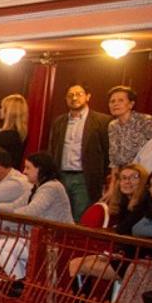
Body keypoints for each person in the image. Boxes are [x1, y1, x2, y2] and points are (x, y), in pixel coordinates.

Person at [49, 83, 111, 214]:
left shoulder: (102, 121)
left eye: (79, 94)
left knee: (80, 216)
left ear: (88, 97)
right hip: (62, 176)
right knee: (59, 214)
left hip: (85, 177)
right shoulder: (59, 121)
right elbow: (52, 149)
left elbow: (107, 152)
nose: (74, 98)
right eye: (70, 95)